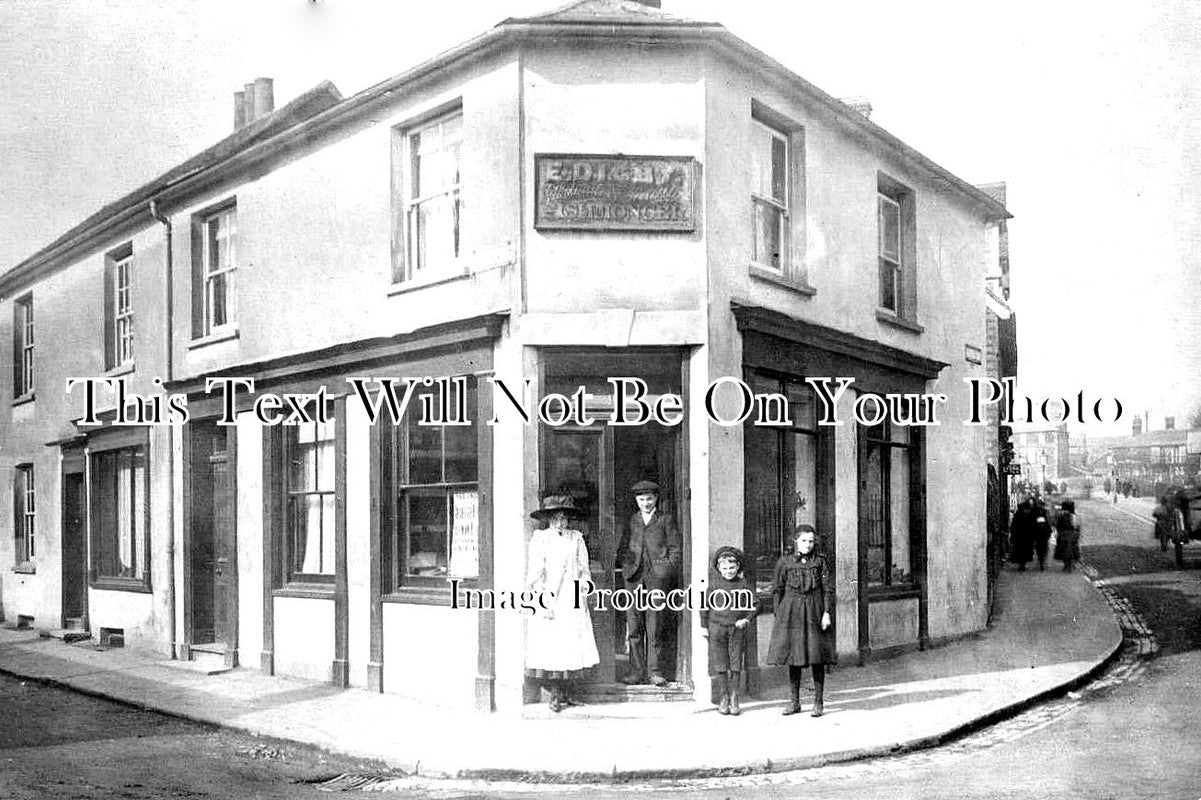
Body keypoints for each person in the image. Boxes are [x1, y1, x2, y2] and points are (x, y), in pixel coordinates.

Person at [525, 494, 600, 712]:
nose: (561, 522)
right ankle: (555, 695)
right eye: (556, 518)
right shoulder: (540, 538)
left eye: (564, 518)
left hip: (572, 596)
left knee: (572, 645)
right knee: (553, 646)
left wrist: (584, 587)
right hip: (550, 597)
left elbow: (583, 568)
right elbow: (535, 572)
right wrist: (542, 600)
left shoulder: (575, 538)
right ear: (548, 518)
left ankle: (568, 693)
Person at [616, 480, 681, 686]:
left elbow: (675, 549)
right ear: (637, 501)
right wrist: (627, 566)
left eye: (649, 499)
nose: (645, 503)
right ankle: (636, 671)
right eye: (642, 499)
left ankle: (655, 671)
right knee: (634, 626)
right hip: (634, 579)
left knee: (655, 626)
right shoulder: (631, 521)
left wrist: (664, 571)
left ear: (656, 499)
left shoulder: (665, 519)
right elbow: (623, 546)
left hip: (657, 580)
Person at [768, 524, 835, 717]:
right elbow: (777, 590)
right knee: (794, 658)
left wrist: (826, 613)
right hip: (791, 612)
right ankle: (794, 702)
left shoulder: (820, 563)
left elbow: (827, 589)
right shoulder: (784, 562)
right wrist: (778, 614)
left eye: (811, 541)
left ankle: (818, 703)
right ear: (796, 541)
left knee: (817, 657)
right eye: (804, 540)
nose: (808, 544)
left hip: (815, 610)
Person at [700, 546, 757, 716]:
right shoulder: (714, 585)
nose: (729, 571)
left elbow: (755, 604)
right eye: (724, 568)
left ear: (738, 567)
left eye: (732, 568)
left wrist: (746, 619)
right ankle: (723, 697)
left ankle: (734, 697)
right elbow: (704, 606)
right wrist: (704, 626)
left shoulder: (743, 584)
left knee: (735, 663)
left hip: (736, 629)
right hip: (717, 628)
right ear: (718, 568)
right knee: (721, 663)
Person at [1008, 495, 1037, 570]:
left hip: (1022, 537)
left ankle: (1022, 564)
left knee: (1021, 551)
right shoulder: (1028, 515)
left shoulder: (1019, 515)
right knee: (1023, 551)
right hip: (1023, 537)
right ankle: (1022, 564)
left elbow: (1013, 526)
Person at [1053, 499, 1081, 572]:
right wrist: (1077, 535)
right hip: (1072, 535)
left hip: (1063, 535)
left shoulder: (1061, 516)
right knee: (1072, 551)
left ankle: (1067, 566)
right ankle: (1070, 566)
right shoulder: (1074, 516)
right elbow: (1078, 527)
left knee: (1063, 551)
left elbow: (1057, 526)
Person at [1031, 495, 1053, 571]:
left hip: (1040, 533)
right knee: (1042, 548)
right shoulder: (1041, 512)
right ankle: (1041, 563)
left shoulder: (1036, 512)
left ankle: (1041, 563)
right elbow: (1047, 522)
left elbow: (1047, 522)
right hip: (1042, 533)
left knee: (1040, 548)